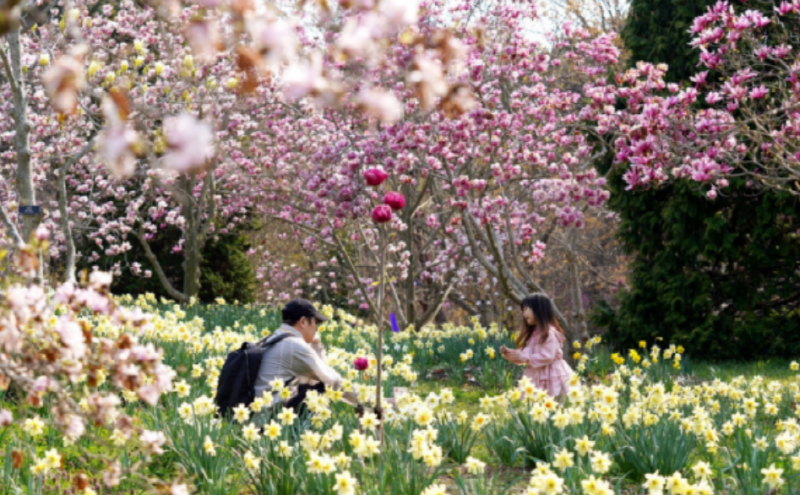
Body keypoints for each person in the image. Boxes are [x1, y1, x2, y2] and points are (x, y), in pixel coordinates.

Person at [254, 299, 357, 420]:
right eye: (315, 322)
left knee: (309, 385)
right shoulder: (294, 345)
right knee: (322, 389)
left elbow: (314, 376)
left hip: (256, 415)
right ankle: (299, 431)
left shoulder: (272, 338)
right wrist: (370, 400)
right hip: (267, 421)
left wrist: (316, 344)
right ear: (303, 322)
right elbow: (332, 380)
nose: (316, 328)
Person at [499, 293, 573, 399]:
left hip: (551, 374)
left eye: (526, 309)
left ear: (538, 309)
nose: (523, 313)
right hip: (535, 374)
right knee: (535, 402)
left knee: (553, 401)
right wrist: (510, 353)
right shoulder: (534, 334)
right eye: (523, 310)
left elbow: (547, 357)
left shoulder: (549, 333)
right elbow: (527, 355)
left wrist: (522, 356)